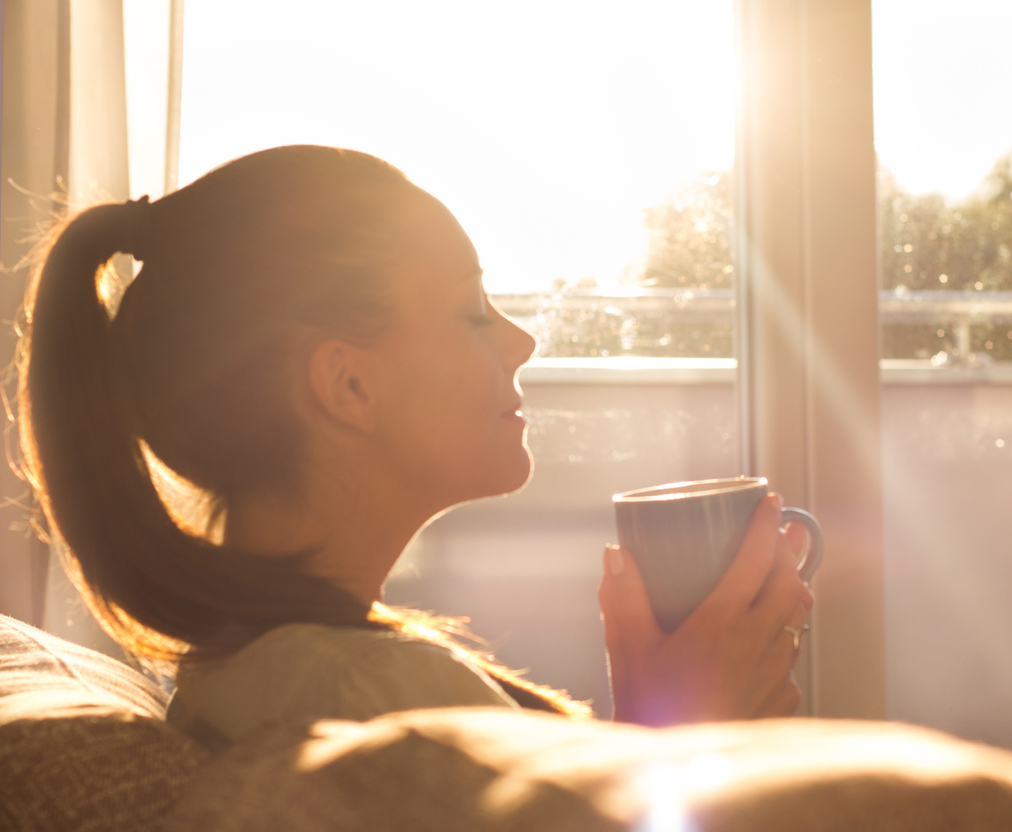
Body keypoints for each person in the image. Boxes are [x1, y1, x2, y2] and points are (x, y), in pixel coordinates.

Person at [17, 145, 813, 746]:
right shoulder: (378, 701)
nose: (521, 341)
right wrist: (682, 738)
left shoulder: (267, 675)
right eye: (472, 312)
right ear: (349, 387)